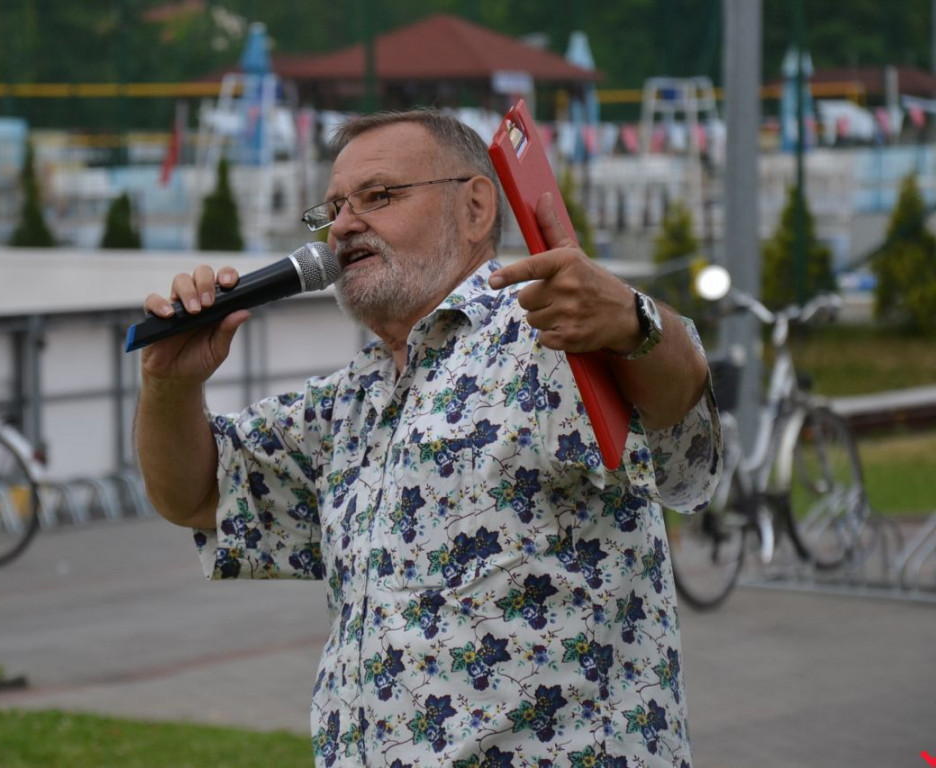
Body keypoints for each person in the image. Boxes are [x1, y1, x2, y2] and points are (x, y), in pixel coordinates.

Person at [134, 109, 720, 768]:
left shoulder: (549, 338)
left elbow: (681, 424)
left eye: (378, 195)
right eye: (333, 209)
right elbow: (197, 495)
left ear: (475, 208)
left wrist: (637, 323)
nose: (344, 225)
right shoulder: (350, 401)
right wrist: (169, 385)